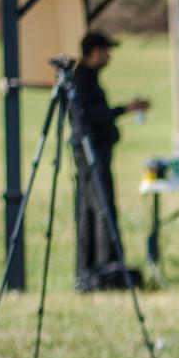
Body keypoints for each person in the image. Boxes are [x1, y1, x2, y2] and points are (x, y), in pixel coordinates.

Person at [71, 31, 149, 290]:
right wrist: (125, 109)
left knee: (94, 208)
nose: (109, 57)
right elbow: (92, 116)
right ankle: (104, 269)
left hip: (96, 151)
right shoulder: (82, 79)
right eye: (106, 51)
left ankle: (97, 267)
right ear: (95, 52)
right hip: (91, 153)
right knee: (102, 208)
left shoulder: (86, 78)